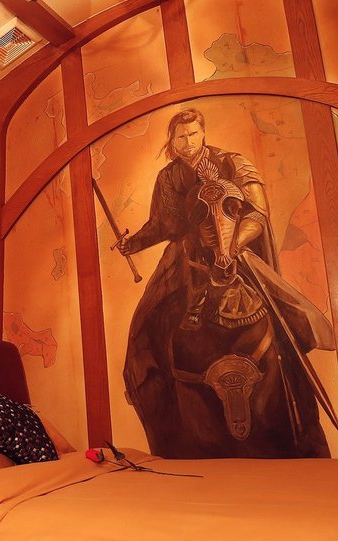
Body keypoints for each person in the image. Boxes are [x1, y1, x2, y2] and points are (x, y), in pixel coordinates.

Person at [117, 108, 336, 458]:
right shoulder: (168, 177)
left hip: (237, 252)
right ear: (172, 140)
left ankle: (294, 398)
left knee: (285, 319)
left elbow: (257, 214)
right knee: (147, 323)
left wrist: (230, 248)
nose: (187, 142)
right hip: (186, 259)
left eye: (193, 134)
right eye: (180, 137)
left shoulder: (233, 162)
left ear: (203, 133)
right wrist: (135, 243)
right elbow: (163, 225)